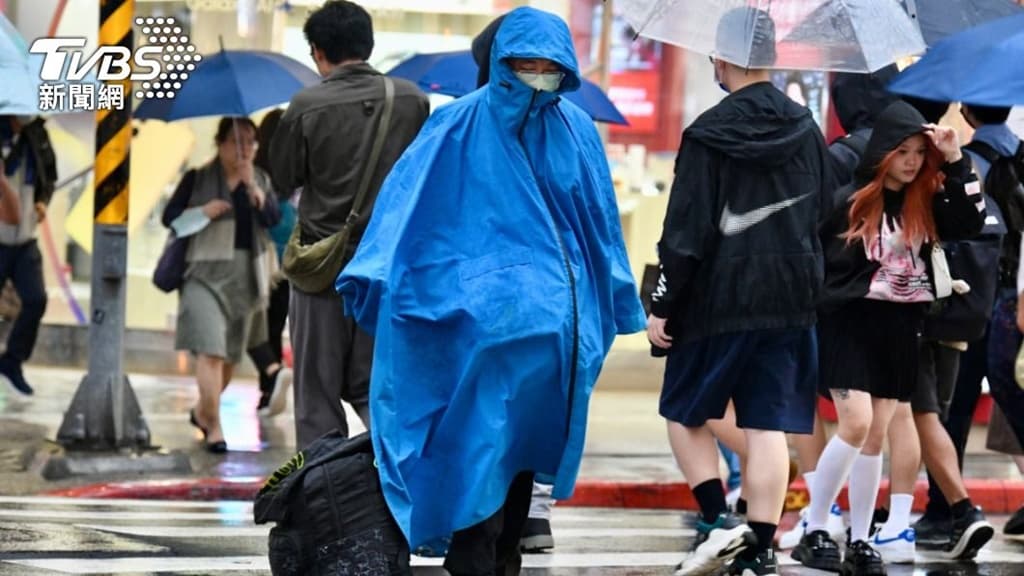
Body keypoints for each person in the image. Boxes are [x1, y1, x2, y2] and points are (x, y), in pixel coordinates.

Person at [337, 7, 646, 575]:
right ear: (501, 62)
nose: (536, 74)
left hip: (552, 336)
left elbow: (598, 223)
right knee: (485, 448)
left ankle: (494, 558)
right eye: (525, 63)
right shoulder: (456, 126)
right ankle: (477, 557)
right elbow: (410, 206)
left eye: (548, 65)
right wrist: (375, 272)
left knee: (519, 455)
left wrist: (619, 303)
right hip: (479, 333)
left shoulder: (574, 130)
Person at [646, 8, 832, 576]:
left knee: (683, 410)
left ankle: (719, 521)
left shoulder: (706, 133)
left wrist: (662, 303)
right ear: (772, 59)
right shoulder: (807, 129)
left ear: (721, 59)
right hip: (791, 299)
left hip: (717, 300)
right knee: (767, 425)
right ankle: (761, 547)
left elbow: (685, 232)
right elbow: (826, 212)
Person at [794, 101, 985, 576]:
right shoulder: (852, 199)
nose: (912, 160)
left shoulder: (928, 200)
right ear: (882, 151)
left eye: (918, 152)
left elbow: (972, 221)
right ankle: (816, 525)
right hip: (851, 323)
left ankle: (860, 539)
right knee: (855, 423)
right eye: (902, 151)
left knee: (875, 434)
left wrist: (955, 158)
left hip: (901, 327)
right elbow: (816, 258)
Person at [270, 0, 429, 449]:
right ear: (369, 44)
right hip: (388, 270)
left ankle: (323, 501)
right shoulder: (412, 101)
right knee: (374, 389)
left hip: (324, 269)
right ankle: (398, 487)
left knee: (318, 396)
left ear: (318, 52)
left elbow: (283, 177)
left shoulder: (306, 104)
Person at [914, 103, 1024, 545]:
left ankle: (944, 508)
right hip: (1012, 294)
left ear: (965, 112)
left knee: (952, 404)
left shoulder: (966, 162)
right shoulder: (1019, 155)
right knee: (1009, 391)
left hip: (969, 298)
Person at [164, 117, 280, 453]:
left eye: (250, 142)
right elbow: (170, 217)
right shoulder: (198, 178)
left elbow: (273, 220)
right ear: (220, 143)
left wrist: (256, 193)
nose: (244, 149)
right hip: (202, 273)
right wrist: (203, 211)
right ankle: (214, 427)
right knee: (211, 352)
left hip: (246, 275)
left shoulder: (259, 179)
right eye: (236, 141)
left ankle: (202, 412)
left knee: (229, 358)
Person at [0, 115, 57, 396]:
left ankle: (12, 361)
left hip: (24, 238)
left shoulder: (37, 137)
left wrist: (43, 202)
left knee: (35, 299)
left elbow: (49, 175)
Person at [247, 109, 295, 418]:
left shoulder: (256, 173)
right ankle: (269, 388)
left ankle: (271, 378)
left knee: (253, 327)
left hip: (261, 261)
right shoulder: (294, 170)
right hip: (291, 261)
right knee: (274, 327)